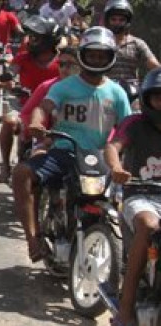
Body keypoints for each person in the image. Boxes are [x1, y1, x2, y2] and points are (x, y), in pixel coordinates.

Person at [14, 27, 131, 262]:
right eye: (92, 55)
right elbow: (43, 107)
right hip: (63, 152)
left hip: (100, 159)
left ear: (110, 58)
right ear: (83, 56)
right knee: (21, 174)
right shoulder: (64, 87)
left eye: (102, 55)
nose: (96, 60)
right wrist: (37, 123)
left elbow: (128, 128)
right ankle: (33, 239)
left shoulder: (117, 93)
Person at [104, 68, 161, 326]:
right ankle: (125, 311)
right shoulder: (134, 123)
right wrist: (116, 168)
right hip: (139, 194)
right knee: (149, 226)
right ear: (147, 98)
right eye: (158, 96)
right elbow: (113, 147)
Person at [0, 15, 61, 184]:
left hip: (56, 109)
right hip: (24, 105)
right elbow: (11, 72)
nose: (30, 41)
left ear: (48, 40)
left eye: (35, 38)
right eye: (30, 37)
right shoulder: (23, 58)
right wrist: (7, 80)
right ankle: (6, 166)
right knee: (9, 121)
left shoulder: (62, 62)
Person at [102, 0, 161, 85]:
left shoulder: (137, 43)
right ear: (108, 21)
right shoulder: (101, 42)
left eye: (121, 20)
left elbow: (154, 66)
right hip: (105, 91)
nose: (117, 23)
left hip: (131, 93)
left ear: (127, 22)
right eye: (113, 19)